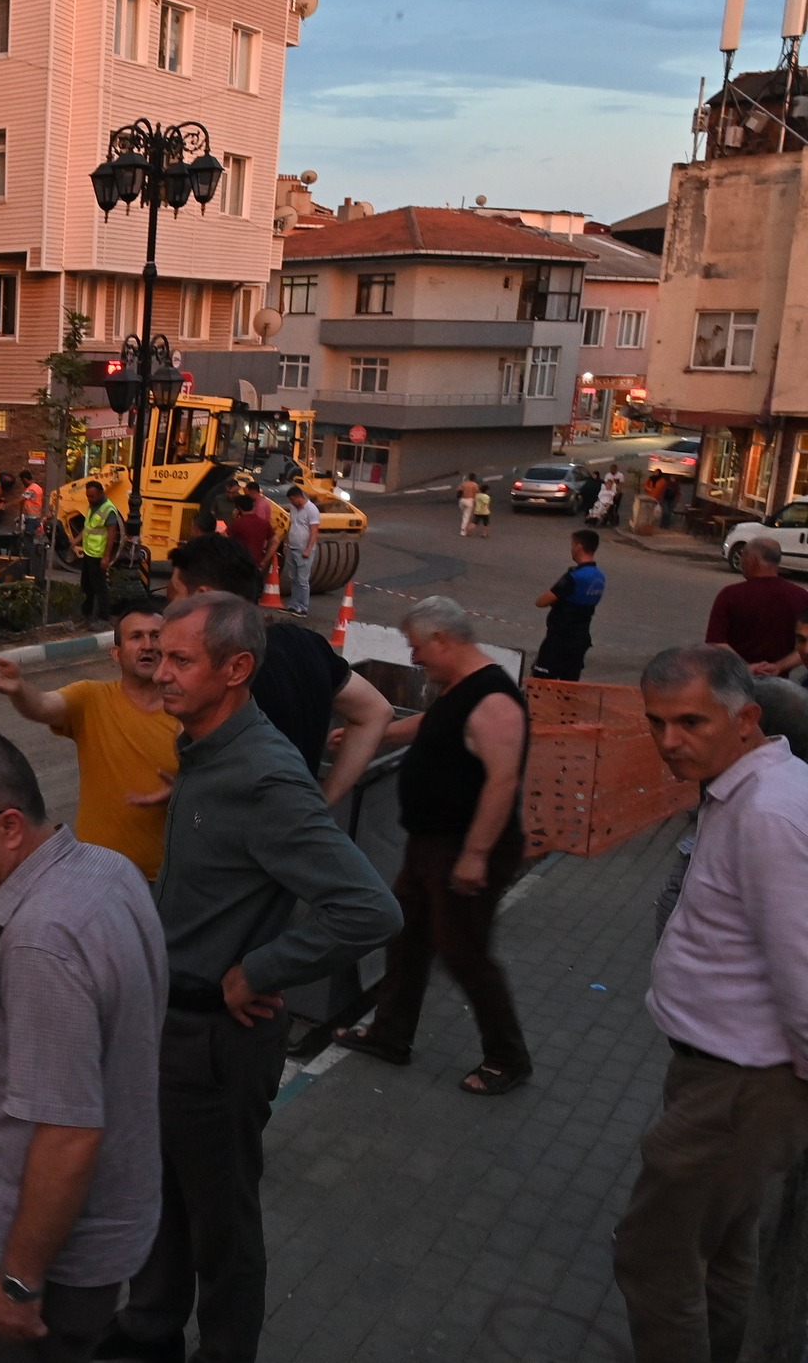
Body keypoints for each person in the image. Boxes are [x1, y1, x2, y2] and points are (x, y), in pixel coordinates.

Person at [104, 592, 400, 1363]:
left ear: (237, 669)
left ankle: (225, 1350)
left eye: (179, 659)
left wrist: (261, 970)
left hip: (219, 1040)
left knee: (221, 1218)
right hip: (174, 1023)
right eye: (157, 654)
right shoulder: (205, 751)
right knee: (163, 1192)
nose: (158, 670)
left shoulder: (264, 775)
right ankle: (150, 1325)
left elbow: (369, 908)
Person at [0, 728, 167, 1363]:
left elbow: (68, 1134)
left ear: (11, 825)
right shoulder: (108, 870)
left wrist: (19, 1283)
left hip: (56, 1256)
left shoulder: (42, 942)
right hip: (111, 1221)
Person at [613, 646, 808, 1363]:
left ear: (746, 718)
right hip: (732, 1079)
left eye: (691, 721)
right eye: (657, 723)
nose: (670, 741)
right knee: (723, 1250)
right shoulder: (751, 788)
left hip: (740, 1085)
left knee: (654, 1260)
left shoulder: (767, 813)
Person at [335, 597, 533, 1096]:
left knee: (464, 953)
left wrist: (475, 855)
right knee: (408, 938)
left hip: (463, 849)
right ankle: (390, 1035)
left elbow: (502, 783)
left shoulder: (494, 702)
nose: (415, 658)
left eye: (418, 647)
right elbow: (428, 727)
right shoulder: (460, 690)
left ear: (443, 639)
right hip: (430, 845)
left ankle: (508, 1057)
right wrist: (370, 735)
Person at [164, 533, 394, 806]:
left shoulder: (219, 671)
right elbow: (376, 711)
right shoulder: (305, 644)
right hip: (293, 831)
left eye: (173, 594)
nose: (167, 608)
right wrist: (322, 803)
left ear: (202, 597)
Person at [0, 609, 180, 880]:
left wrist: (183, 789)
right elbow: (41, 705)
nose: (148, 645)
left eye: (155, 636)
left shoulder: (184, 708)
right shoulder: (91, 698)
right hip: (98, 874)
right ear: (116, 654)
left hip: (165, 878)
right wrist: (19, 690)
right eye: (136, 637)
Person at [706, 537, 808, 668]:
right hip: (779, 684)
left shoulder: (730, 595)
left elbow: (715, 642)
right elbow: (803, 647)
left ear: (752, 560)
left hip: (736, 681)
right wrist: (778, 667)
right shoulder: (800, 596)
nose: (741, 562)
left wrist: (746, 668)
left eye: (743, 556)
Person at [531, 529, 606, 682]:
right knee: (569, 685)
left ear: (579, 546)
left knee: (540, 682)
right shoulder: (599, 577)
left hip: (560, 639)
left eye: (572, 545)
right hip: (580, 639)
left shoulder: (575, 576)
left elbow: (542, 601)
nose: (571, 548)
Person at [79, 481, 121, 626]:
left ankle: (104, 616)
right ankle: (87, 614)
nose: (89, 499)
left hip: (98, 554)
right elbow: (88, 527)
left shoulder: (108, 509)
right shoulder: (93, 506)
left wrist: (106, 556)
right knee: (86, 585)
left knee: (99, 586)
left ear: (101, 493)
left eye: (92, 496)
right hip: (88, 552)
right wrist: (76, 540)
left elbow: (111, 535)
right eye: (88, 496)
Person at [282, 485, 321, 617]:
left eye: (293, 500)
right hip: (292, 548)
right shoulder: (294, 508)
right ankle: (294, 605)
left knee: (302, 580)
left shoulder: (312, 510)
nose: (291, 503)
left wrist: (308, 549)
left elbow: (314, 531)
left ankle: (303, 607)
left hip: (303, 550)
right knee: (293, 578)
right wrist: (287, 543)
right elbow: (291, 525)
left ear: (299, 497)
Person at [225, 488, 275, 573]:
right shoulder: (264, 523)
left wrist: (233, 519)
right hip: (256, 563)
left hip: (239, 563)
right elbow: (275, 542)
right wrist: (264, 561)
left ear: (239, 509)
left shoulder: (238, 523)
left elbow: (225, 537)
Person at [457, 472, 481, 537]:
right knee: (466, 516)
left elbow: (458, 490)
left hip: (462, 500)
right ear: (474, 478)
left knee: (465, 515)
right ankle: (463, 531)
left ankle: (465, 528)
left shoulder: (464, 483)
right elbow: (478, 493)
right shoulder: (475, 485)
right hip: (470, 500)